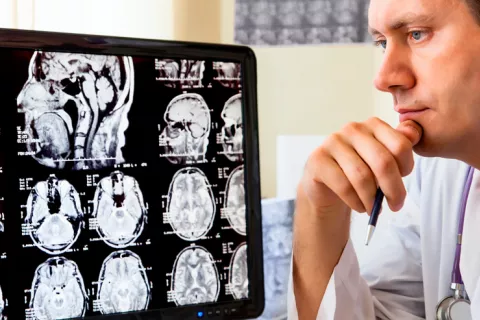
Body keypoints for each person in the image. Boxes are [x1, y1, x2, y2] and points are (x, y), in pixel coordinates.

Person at [287, 0, 480, 319]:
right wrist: (317, 209)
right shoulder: (439, 170)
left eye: (418, 34)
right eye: (381, 42)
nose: (384, 78)